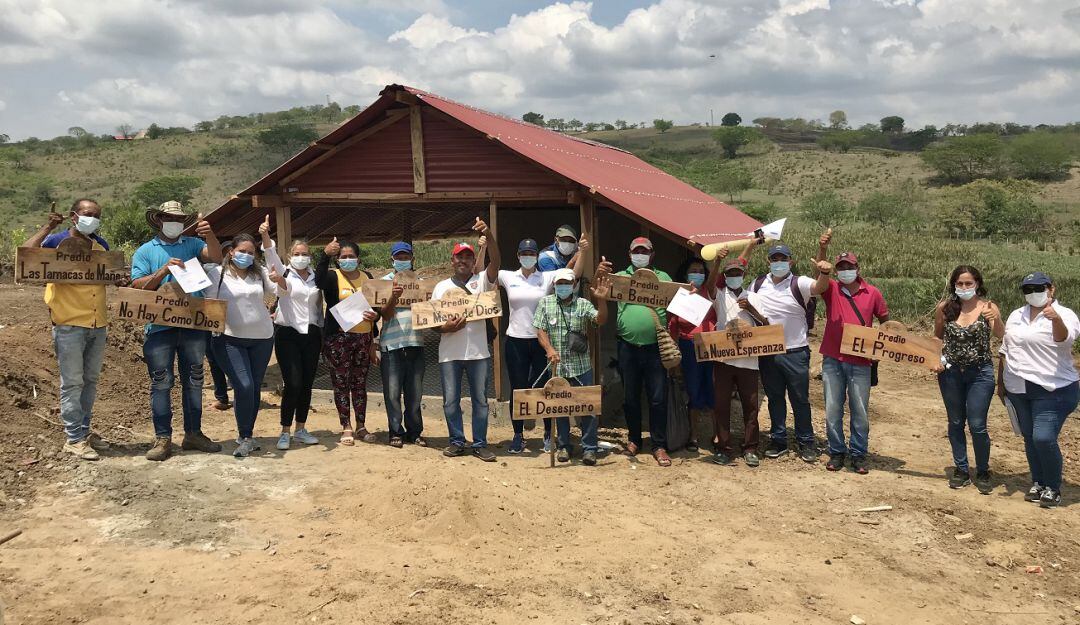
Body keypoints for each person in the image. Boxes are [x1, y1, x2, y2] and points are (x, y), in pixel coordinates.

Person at [22, 199, 126, 461]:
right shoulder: (55, 241)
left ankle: (84, 431)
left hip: (97, 323)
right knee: (72, 383)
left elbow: (109, 276)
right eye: (88, 214)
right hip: (68, 323)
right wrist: (47, 227)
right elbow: (26, 255)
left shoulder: (100, 246)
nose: (92, 219)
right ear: (74, 216)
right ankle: (73, 439)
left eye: (97, 215)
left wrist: (119, 278)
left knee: (90, 381)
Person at [130, 200, 223, 461]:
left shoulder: (193, 245)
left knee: (194, 381)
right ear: (159, 219)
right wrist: (162, 271)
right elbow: (138, 286)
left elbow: (215, 257)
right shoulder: (145, 251)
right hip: (159, 327)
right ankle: (163, 438)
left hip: (194, 325)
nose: (176, 223)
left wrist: (209, 234)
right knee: (161, 383)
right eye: (171, 218)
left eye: (180, 219)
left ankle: (193, 433)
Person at [500, 237, 588, 453]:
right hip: (515, 341)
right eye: (524, 254)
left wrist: (582, 252)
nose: (528, 257)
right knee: (517, 389)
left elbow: (572, 274)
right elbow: (488, 273)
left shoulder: (547, 277)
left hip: (541, 341)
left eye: (532, 254)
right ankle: (518, 435)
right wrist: (485, 246)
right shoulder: (507, 276)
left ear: (537, 256)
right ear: (518, 256)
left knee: (546, 387)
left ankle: (549, 432)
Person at [811, 230, 889, 474]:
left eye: (849, 266)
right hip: (833, 358)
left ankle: (858, 453)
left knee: (860, 410)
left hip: (861, 361)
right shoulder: (831, 288)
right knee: (833, 408)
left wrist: (881, 346)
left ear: (857, 268)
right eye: (841, 266)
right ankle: (836, 451)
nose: (845, 270)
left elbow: (886, 322)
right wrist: (822, 250)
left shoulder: (872, 293)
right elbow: (819, 278)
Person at [999, 272, 1079, 508]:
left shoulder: (1065, 315)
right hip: (1018, 387)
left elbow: (1064, 339)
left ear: (1051, 289)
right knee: (1029, 438)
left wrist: (1055, 319)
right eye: (1027, 289)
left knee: (1043, 437)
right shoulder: (1016, 315)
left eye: (1038, 287)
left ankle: (1053, 487)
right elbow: (1006, 348)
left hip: (1053, 388)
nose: (1033, 293)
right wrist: (1000, 382)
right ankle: (1039, 482)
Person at [206, 222, 279, 458]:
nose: (246, 256)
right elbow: (206, 304)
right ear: (231, 251)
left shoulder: (260, 274)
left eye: (251, 252)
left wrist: (266, 240)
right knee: (243, 385)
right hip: (229, 339)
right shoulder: (217, 274)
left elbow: (280, 290)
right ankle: (245, 435)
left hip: (262, 338)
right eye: (242, 251)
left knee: (254, 387)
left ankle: (246, 435)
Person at [601, 236, 673, 466]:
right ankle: (634, 439)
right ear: (630, 253)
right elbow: (597, 288)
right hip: (627, 348)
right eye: (636, 250)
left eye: (644, 251)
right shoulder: (621, 277)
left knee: (658, 398)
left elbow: (680, 303)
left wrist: (690, 293)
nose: (640, 254)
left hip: (655, 349)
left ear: (652, 254)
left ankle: (659, 445)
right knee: (630, 397)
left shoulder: (664, 278)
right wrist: (599, 271)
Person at [433, 217, 500, 462]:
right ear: (452, 261)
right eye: (459, 257)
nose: (463, 261)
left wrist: (489, 236)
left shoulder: (481, 281)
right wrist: (445, 327)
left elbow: (497, 260)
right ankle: (457, 441)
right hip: (449, 354)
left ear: (473, 261)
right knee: (450, 401)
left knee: (480, 401)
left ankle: (480, 443)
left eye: (468, 257)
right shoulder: (440, 287)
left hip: (478, 353)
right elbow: (432, 323)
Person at [932, 265, 1004, 493]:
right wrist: (936, 359)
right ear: (954, 285)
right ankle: (961, 469)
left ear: (977, 284)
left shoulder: (988, 308)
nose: (964, 287)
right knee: (955, 422)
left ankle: (982, 470)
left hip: (980, 373)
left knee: (977, 424)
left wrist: (998, 319)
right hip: (951, 373)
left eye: (968, 283)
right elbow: (937, 337)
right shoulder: (945, 308)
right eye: (960, 284)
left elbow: (1001, 335)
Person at [748, 242, 818, 463]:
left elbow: (820, 288)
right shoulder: (758, 284)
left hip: (796, 351)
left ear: (791, 262)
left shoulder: (801, 283)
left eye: (783, 259)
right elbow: (747, 308)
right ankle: (778, 440)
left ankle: (806, 441)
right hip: (769, 352)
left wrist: (824, 268)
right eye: (774, 259)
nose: (779, 263)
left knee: (800, 399)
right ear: (768, 261)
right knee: (774, 398)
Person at [533, 268, 610, 465]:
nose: (563, 286)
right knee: (559, 408)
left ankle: (589, 448)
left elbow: (600, 320)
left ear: (574, 285)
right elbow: (539, 329)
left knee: (588, 408)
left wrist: (601, 300)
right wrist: (549, 349)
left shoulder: (583, 304)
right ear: (554, 285)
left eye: (567, 283)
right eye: (560, 283)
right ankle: (564, 446)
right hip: (557, 366)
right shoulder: (545, 303)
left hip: (581, 367)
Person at [704, 250, 769, 467]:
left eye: (737, 273)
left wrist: (750, 308)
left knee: (750, 405)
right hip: (723, 359)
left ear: (744, 274)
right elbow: (710, 285)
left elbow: (766, 326)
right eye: (730, 273)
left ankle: (750, 447)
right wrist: (717, 262)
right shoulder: (720, 295)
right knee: (721, 405)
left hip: (749, 361)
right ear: (726, 275)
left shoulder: (754, 297)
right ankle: (723, 447)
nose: (734, 276)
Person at [261, 227, 323, 451]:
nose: (301, 257)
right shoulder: (284, 273)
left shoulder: (316, 276)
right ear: (289, 256)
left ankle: (301, 429)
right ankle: (285, 430)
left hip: (312, 335)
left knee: (306, 384)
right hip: (288, 334)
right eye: (296, 254)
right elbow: (270, 256)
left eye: (305, 253)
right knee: (293, 383)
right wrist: (266, 236)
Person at [316, 236, 379, 446]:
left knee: (359, 384)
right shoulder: (332, 277)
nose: (348, 259)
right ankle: (346, 426)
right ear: (337, 260)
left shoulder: (367, 277)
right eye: (343, 257)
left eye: (351, 256)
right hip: (338, 339)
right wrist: (325, 255)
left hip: (363, 338)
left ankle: (361, 425)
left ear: (358, 259)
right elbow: (318, 280)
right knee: (341, 383)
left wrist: (375, 317)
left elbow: (375, 306)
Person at [667, 256, 719, 452]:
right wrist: (674, 357)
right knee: (693, 391)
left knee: (713, 390)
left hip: (711, 346)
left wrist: (718, 262)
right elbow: (673, 326)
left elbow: (715, 277)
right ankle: (694, 435)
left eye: (700, 271)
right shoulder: (679, 296)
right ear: (685, 273)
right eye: (693, 271)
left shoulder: (709, 292)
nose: (697, 274)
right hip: (689, 347)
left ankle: (717, 435)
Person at [378, 242, 427, 448]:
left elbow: (429, 313)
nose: (402, 261)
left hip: (416, 343)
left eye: (406, 257)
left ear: (412, 259)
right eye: (399, 257)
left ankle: (414, 432)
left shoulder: (423, 283)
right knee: (392, 393)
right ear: (392, 260)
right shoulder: (383, 283)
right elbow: (385, 314)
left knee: (414, 393)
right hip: (391, 345)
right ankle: (395, 431)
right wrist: (394, 297)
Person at [205, 240, 233, 412]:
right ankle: (222, 398)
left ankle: (246, 396)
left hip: (237, 326)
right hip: (214, 323)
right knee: (214, 360)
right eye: (225, 253)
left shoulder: (250, 275)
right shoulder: (212, 272)